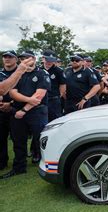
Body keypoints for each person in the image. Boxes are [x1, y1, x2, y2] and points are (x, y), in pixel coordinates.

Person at [0, 50, 51, 179]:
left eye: (27, 58)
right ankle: (19, 167)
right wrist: (28, 100)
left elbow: (39, 95)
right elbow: (12, 92)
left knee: (41, 139)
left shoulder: (42, 73)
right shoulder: (17, 74)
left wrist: (24, 109)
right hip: (17, 111)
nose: (25, 60)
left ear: (34, 58)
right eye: (22, 58)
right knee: (18, 141)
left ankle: (47, 165)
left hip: (36, 111)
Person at [0, 50, 19, 170]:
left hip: (16, 109)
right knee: (1, 138)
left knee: (18, 138)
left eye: (10, 57)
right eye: (5, 57)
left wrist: (11, 103)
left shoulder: (22, 73)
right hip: (1, 110)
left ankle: (19, 163)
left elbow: (26, 91)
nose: (7, 59)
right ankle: (2, 162)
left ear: (16, 59)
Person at [42, 51, 66, 122]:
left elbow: (63, 85)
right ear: (43, 59)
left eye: (52, 60)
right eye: (47, 60)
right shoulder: (38, 70)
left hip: (53, 100)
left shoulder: (59, 71)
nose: (49, 62)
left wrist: (58, 96)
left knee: (55, 120)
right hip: (40, 100)